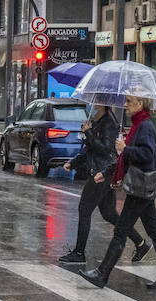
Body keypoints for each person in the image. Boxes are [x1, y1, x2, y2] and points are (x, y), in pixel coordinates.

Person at [79, 92, 156, 291]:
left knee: (121, 230)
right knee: (154, 230)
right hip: (143, 187)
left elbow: (147, 154)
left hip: (140, 187)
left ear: (141, 103)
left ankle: (102, 274)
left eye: (130, 101)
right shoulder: (139, 125)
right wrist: (106, 172)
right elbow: (126, 158)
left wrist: (125, 148)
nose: (126, 104)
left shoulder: (145, 126)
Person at [58, 106, 149, 266]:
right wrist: (74, 162)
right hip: (102, 171)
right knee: (109, 214)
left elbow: (105, 149)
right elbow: (90, 151)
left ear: (102, 104)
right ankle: (141, 244)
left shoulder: (109, 123)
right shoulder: (98, 121)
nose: (91, 106)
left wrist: (88, 133)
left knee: (84, 209)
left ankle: (79, 253)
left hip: (102, 173)